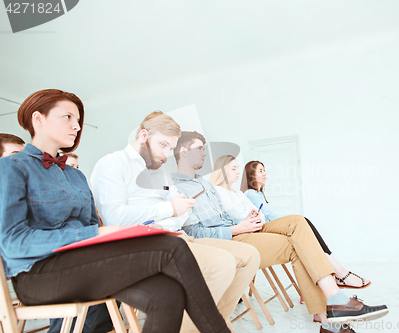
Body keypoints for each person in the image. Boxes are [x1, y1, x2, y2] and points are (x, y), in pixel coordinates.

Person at [0, 89, 230, 333]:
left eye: (78, 120)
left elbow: (91, 226)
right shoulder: (11, 167)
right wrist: (92, 235)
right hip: (37, 276)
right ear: (38, 119)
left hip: (83, 264)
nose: (76, 126)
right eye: (68, 117)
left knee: (167, 293)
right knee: (172, 248)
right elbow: (13, 242)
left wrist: (107, 236)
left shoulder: (76, 175)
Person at [171, 131, 388, 328]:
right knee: (297, 244)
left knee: (298, 222)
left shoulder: (206, 185)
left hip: (241, 231)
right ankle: (330, 315)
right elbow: (193, 234)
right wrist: (236, 228)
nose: (204, 153)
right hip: (228, 242)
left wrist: (244, 220)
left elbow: (224, 217)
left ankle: (332, 307)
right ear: (183, 151)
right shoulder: (175, 188)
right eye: (200, 148)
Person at [90, 111, 260, 333]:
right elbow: (115, 217)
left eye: (170, 148)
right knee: (221, 263)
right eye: (162, 145)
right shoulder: (112, 164)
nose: (166, 154)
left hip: (178, 237)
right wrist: (167, 209)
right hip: (140, 246)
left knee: (249, 256)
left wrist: (168, 216)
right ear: (143, 135)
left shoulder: (160, 173)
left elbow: (183, 212)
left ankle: (204, 325)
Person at [210, 155, 372, 323]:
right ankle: (330, 305)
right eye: (233, 168)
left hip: (257, 226)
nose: (238, 172)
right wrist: (248, 220)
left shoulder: (237, 193)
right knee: (298, 232)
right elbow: (232, 219)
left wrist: (254, 216)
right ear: (221, 171)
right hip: (245, 233)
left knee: (299, 221)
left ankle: (329, 306)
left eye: (238, 167)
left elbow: (261, 215)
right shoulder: (217, 192)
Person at [242, 160, 370, 289]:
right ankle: (341, 274)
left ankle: (328, 279)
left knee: (305, 237)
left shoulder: (257, 194)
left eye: (264, 170)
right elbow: (269, 216)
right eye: (260, 171)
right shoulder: (251, 194)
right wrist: (293, 221)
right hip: (261, 232)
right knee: (303, 224)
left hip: (269, 229)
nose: (264, 174)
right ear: (251, 175)